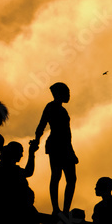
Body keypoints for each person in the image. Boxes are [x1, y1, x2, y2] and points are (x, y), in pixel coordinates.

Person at [34, 83, 77, 216]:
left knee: (70, 178)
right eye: (67, 93)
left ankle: (64, 210)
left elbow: (67, 134)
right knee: (58, 176)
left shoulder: (62, 110)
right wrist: (36, 140)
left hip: (64, 146)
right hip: (56, 145)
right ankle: (57, 209)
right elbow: (41, 125)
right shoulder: (51, 107)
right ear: (60, 94)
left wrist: (71, 151)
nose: (69, 95)